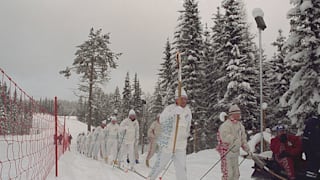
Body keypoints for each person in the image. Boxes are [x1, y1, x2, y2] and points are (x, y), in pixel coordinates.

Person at [147, 88, 192, 180]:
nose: (184, 100)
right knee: (160, 166)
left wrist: (186, 136)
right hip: (167, 144)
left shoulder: (188, 111)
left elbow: (188, 126)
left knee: (182, 168)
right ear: (176, 99)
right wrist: (173, 113)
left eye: (185, 98)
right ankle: (150, 178)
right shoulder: (170, 109)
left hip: (180, 146)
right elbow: (161, 120)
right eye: (182, 98)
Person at [216, 104, 251, 180]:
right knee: (228, 173)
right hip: (226, 152)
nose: (239, 115)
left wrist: (247, 149)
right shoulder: (226, 125)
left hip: (235, 152)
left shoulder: (240, 126)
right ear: (232, 114)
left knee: (236, 174)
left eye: (239, 113)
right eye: (237, 113)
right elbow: (224, 137)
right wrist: (234, 139)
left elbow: (243, 139)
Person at [302, 114, 320, 179]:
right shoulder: (313, 122)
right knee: (312, 169)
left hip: (314, 150)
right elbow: (307, 139)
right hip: (312, 151)